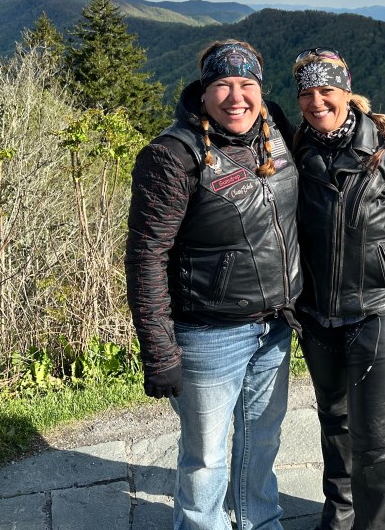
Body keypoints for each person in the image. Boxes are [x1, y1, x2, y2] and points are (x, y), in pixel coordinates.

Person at [125, 39, 301, 530]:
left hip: (275, 325)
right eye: (223, 84)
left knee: (263, 438)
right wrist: (159, 352)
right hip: (208, 333)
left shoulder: (275, 130)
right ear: (203, 91)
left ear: (261, 89)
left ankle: (260, 522)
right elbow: (145, 257)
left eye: (247, 84)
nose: (236, 97)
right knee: (205, 456)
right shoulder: (172, 155)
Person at [291, 48, 385, 530]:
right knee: (334, 425)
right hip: (317, 319)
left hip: (377, 318)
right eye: (307, 93)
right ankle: (339, 515)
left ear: (347, 93)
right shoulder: (295, 151)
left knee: (376, 442)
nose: (317, 102)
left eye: (327, 90)